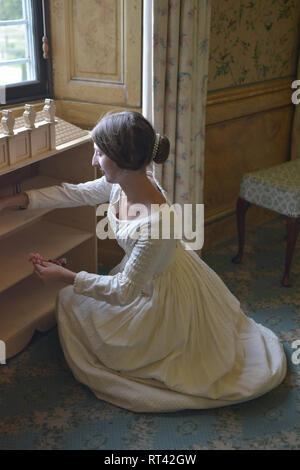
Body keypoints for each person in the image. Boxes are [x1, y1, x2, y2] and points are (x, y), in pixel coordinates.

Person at [0, 111, 287, 413]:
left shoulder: (156, 224)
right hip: (144, 274)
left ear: (122, 159)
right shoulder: (124, 182)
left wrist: (64, 274)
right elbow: (71, 193)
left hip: (161, 293)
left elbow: (125, 292)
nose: (93, 162)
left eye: (99, 153)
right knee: (73, 302)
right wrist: (16, 200)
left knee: (72, 299)